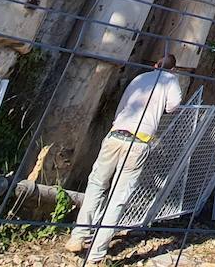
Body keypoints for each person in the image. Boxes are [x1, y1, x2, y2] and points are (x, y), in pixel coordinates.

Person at [66, 54, 183, 262]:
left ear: (154, 65)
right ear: (173, 70)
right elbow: (174, 105)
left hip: (115, 133)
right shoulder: (170, 80)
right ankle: (97, 253)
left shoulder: (139, 79)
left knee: (96, 184)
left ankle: (78, 235)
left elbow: (122, 105)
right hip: (138, 141)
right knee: (118, 197)